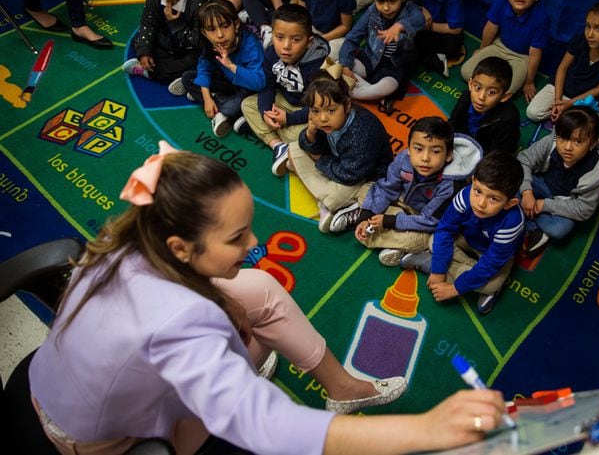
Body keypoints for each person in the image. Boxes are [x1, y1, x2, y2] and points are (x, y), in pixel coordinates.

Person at [29, 141, 508, 454]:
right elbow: (266, 425)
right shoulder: (179, 322)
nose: (253, 242)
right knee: (249, 344)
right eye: (237, 237)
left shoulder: (135, 239)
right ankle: (271, 375)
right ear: (181, 247)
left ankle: (342, 389)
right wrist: (427, 430)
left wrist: (226, 305)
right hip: (101, 440)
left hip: (64, 384)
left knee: (256, 287)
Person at [328, 117, 482, 267]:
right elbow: (387, 188)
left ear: (448, 156)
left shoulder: (450, 185)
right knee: (367, 188)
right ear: (409, 149)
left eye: (435, 151)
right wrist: (366, 215)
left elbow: (430, 222)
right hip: (401, 201)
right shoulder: (404, 159)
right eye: (418, 149)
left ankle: (389, 239)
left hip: (423, 219)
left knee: (419, 240)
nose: (425, 158)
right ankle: (364, 220)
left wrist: (390, 221)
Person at [399, 151, 525, 315]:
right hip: (466, 237)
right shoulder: (465, 196)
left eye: (493, 198)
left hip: (489, 252)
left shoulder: (512, 222)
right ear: (472, 181)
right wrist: (438, 270)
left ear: (510, 203)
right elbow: (445, 229)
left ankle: (432, 263)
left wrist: (455, 289)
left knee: (490, 285)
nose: (480, 203)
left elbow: (491, 263)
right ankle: (442, 267)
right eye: (477, 191)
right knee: (434, 240)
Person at [283, 70, 394, 233]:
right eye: (315, 111)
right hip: (337, 163)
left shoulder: (363, 132)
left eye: (331, 110)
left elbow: (349, 175)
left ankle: (342, 206)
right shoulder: (324, 121)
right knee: (294, 147)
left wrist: (317, 159)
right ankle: (334, 201)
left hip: (364, 177)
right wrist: (310, 134)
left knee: (333, 198)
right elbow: (310, 144)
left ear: (347, 105)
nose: (322, 118)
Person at [240, 4, 330, 175]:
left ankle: (263, 129)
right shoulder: (272, 53)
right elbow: (267, 84)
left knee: (309, 134)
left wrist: (288, 119)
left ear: (309, 42)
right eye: (279, 37)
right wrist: (266, 111)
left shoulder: (319, 66)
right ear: (271, 34)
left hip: (309, 110)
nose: (286, 46)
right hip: (284, 100)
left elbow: (320, 108)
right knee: (247, 105)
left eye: (296, 39)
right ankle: (278, 145)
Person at [517, 105, 599, 258]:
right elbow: (524, 161)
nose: (567, 147)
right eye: (563, 138)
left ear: (593, 143)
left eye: (578, 142)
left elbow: (584, 209)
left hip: (565, 200)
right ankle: (534, 228)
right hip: (541, 183)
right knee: (509, 183)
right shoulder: (552, 141)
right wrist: (527, 191)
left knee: (559, 230)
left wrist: (543, 205)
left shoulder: (597, 171)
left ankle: (526, 221)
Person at [526, 0, 599, 122]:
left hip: (586, 99)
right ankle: (564, 113)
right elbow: (562, 68)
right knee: (532, 113)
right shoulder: (580, 40)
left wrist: (570, 104)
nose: (590, 34)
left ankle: (567, 114)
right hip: (561, 89)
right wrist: (557, 101)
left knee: (580, 126)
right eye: (588, 26)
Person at [122, 0, 213, 92]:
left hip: (195, 48)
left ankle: (161, 74)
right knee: (140, 41)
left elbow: (200, 40)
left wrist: (175, 24)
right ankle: (181, 77)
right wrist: (144, 51)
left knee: (200, 60)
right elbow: (148, 24)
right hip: (171, 43)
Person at [340, 0, 425, 115]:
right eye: (380, 1)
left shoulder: (410, 10)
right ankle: (373, 93)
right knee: (343, 63)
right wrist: (345, 65)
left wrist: (400, 26)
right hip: (370, 59)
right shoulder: (372, 11)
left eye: (392, 1)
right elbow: (352, 37)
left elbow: (420, 20)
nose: (386, 7)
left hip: (393, 66)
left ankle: (356, 91)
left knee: (389, 86)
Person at [460, 0, 550, 100]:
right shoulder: (501, 1)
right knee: (466, 72)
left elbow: (534, 53)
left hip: (522, 58)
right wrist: (482, 49)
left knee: (506, 90)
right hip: (499, 46)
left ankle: (491, 90)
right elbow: (491, 27)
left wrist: (529, 81)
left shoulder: (541, 18)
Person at [182, 0, 265, 138]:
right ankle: (219, 108)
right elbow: (204, 67)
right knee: (187, 78)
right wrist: (207, 98)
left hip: (249, 90)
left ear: (236, 24)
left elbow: (259, 82)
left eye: (225, 26)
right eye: (211, 29)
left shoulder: (250, 45)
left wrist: (231, 66)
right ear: (204, 32)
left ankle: (226, 111)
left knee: (230, 108)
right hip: (228, 82)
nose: (220, 35)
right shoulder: (210, 44)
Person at [449, 56, 520, 155]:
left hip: (490, 151)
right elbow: (452, 123)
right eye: (477, 87)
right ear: (470, 84)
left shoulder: (508, 119)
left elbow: (497, 154)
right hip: (467, 139)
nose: (481, 97)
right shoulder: (466, 97)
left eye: (491, 92)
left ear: (504, 96)